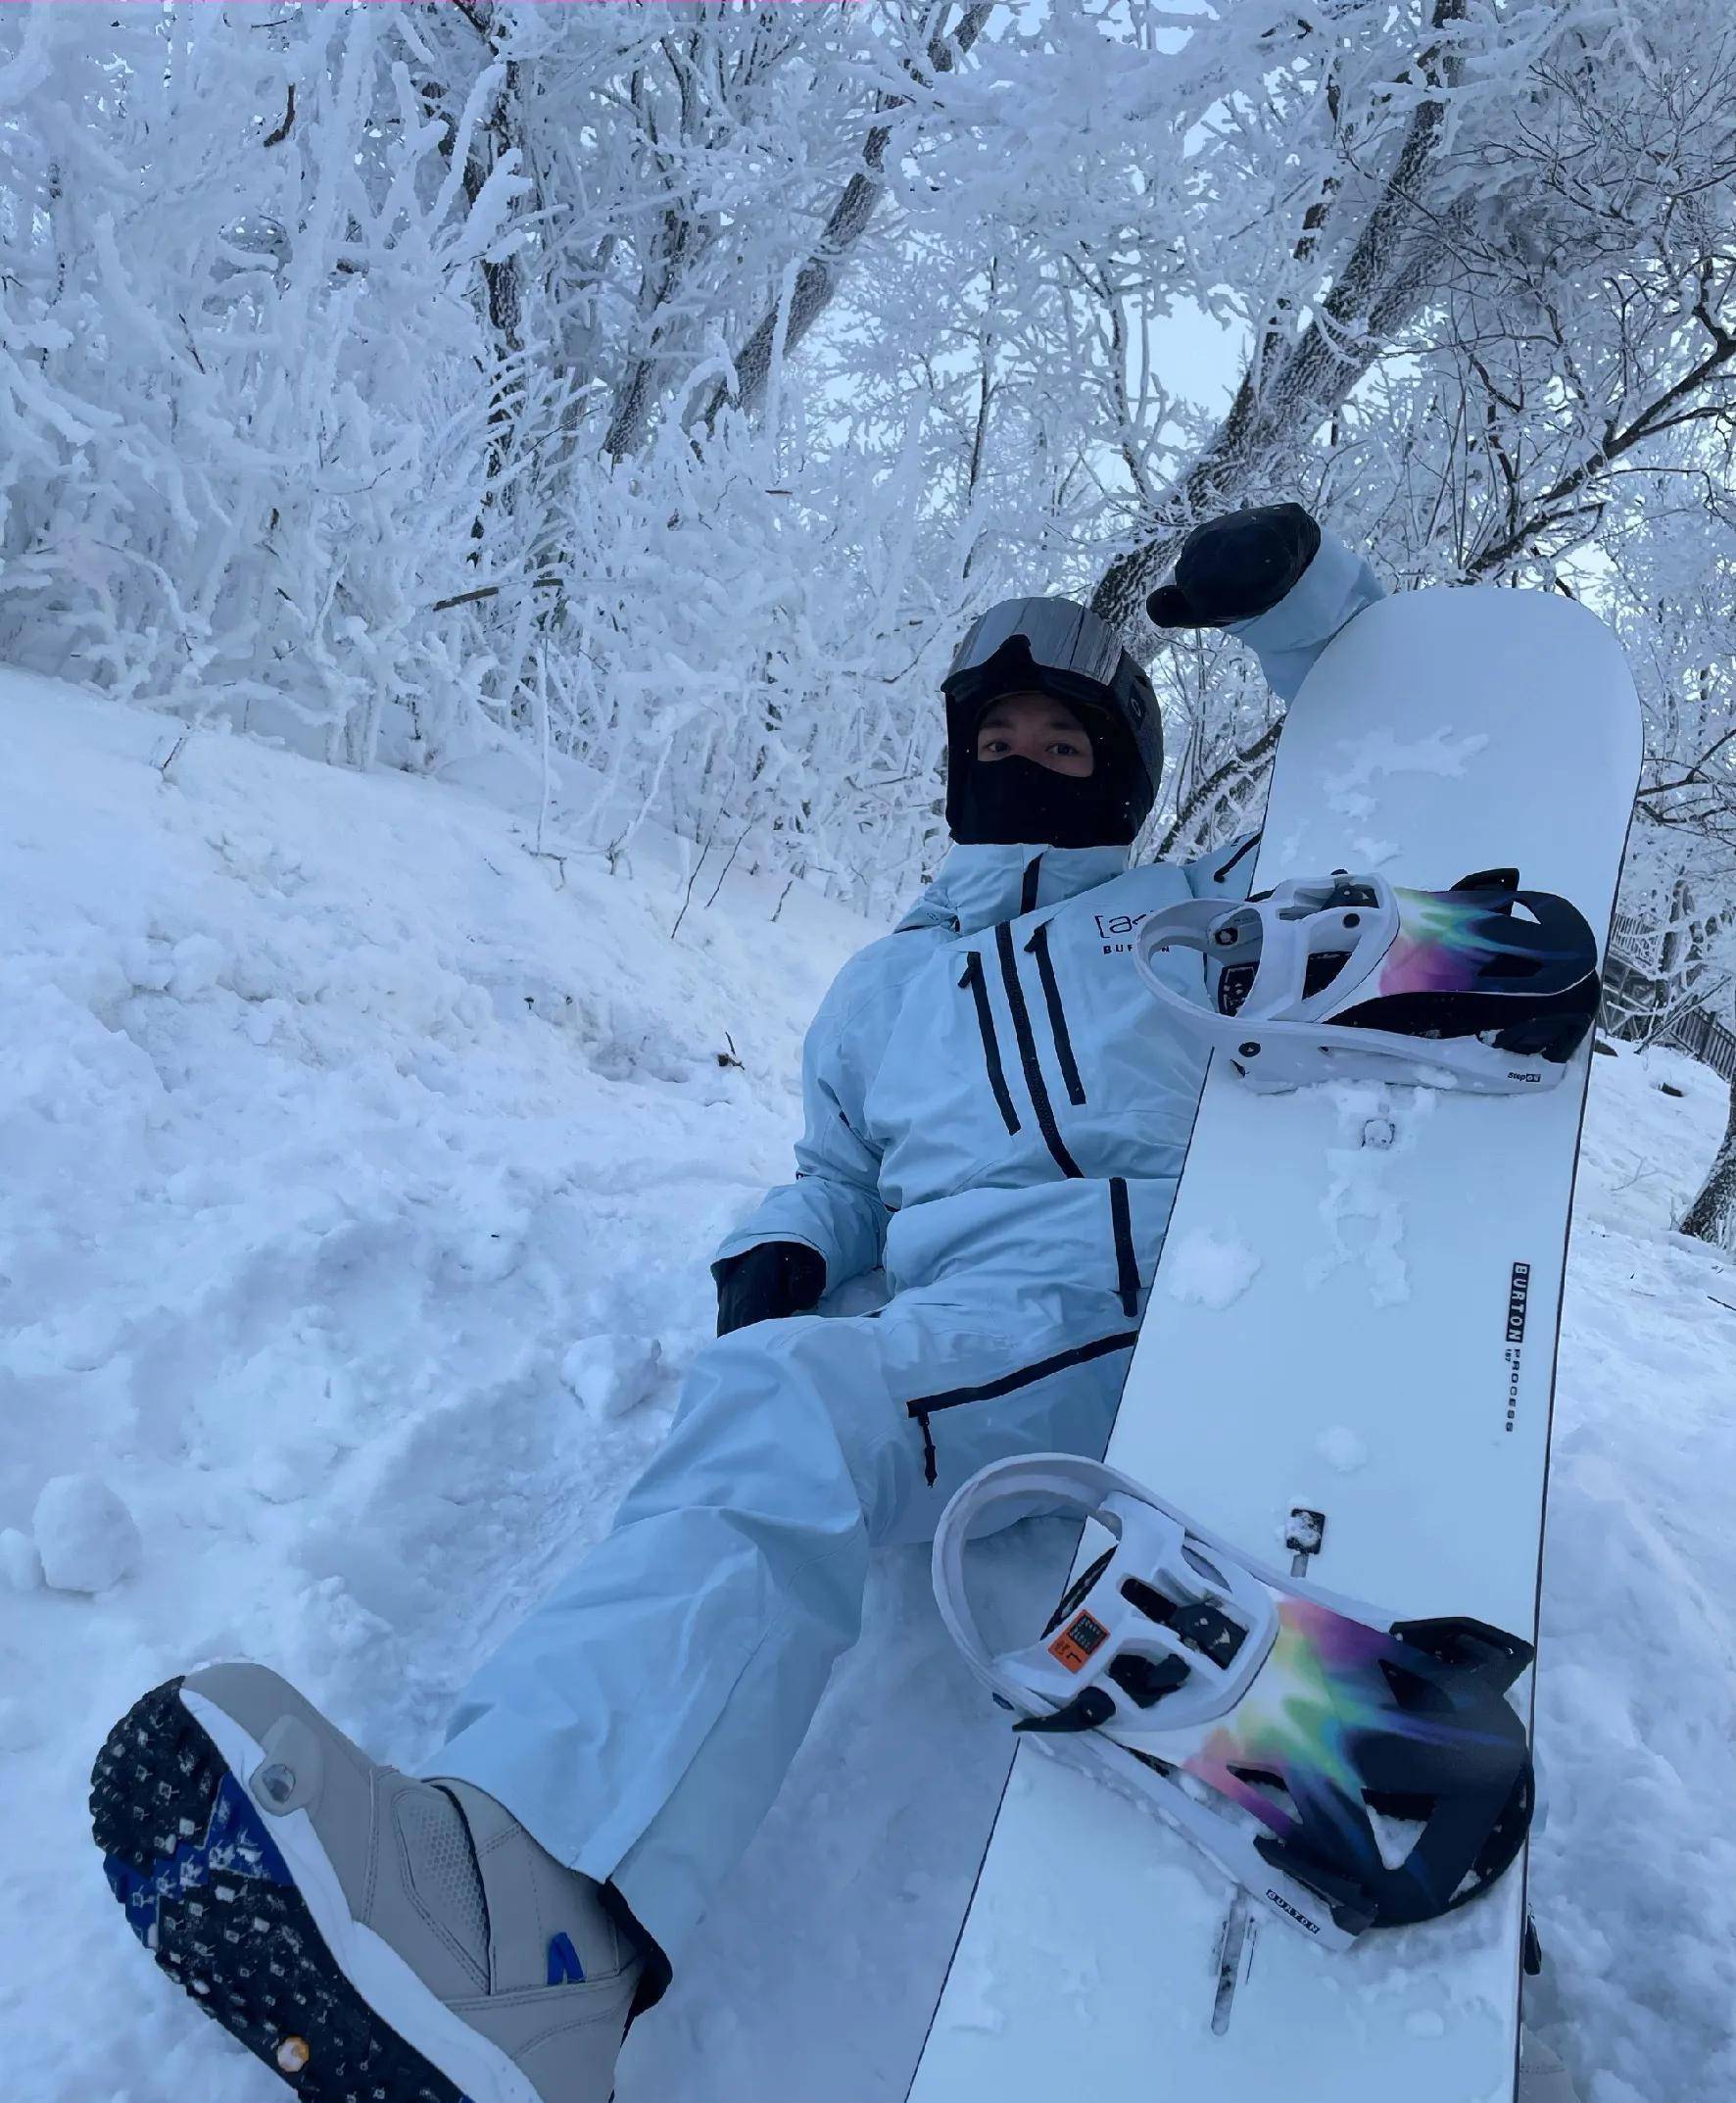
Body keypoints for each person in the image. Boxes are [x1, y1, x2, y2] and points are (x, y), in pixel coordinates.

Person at [90, 507, 1385, 2102]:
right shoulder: (879, 991)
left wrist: (1305, 612)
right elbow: (840, 1173)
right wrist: (784, 1243)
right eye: (1000, 735)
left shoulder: (1185, 908)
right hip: (987, 1335)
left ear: (1121, 775)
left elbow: (1388, 795)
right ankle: (533, 1934)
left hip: (1180, 1290)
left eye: (1068, 738)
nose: (1029, 758)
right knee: (785, 1399)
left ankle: (511, 1915)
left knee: (802, 1404)